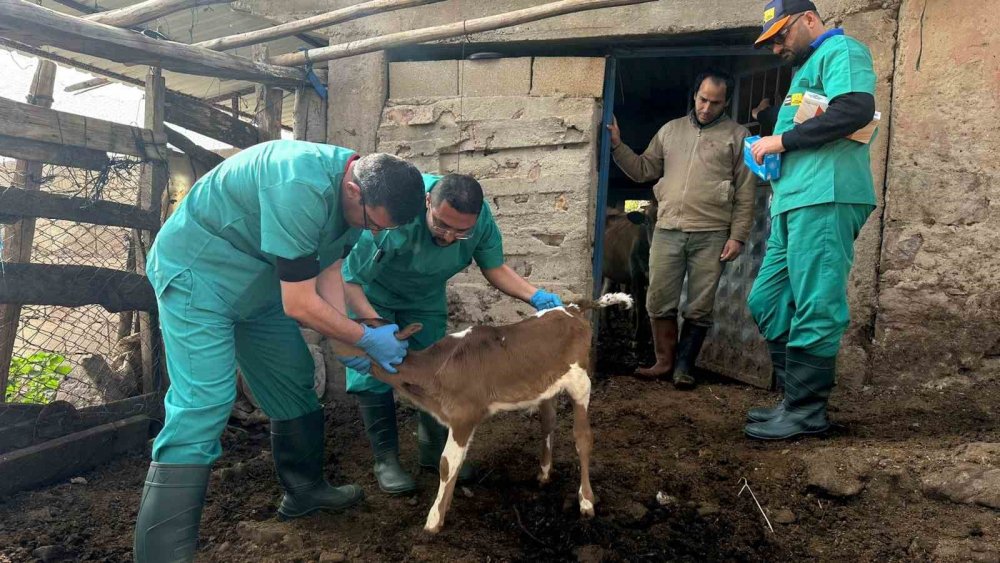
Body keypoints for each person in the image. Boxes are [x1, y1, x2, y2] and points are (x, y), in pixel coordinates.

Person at [134, 140, 426, 562]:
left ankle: (305, 491)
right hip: (199, 276)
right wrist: (364, 337)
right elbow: (300, 304)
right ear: (354, 192)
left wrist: (347, 342)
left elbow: (328, 270)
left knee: (292, 379)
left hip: (259, 289)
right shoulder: (298, 182)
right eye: (375, 224)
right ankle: (160, 557)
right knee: (204, 404)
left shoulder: (356, 197)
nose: (375, 233)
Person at [339, 173, 564, 494]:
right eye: (442, 225)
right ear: (427, 202)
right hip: (373, 297)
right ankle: (386, 460)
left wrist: (535, 295)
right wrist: (375, 327)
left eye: (461, 231)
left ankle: (433, 450)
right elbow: (351, 279)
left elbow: (494, 267)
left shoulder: (479, 220)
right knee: (376, 370)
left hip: (424, 298)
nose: (448, 237)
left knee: (436, 368)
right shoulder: (398, 209)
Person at [745, 0, 878, 440]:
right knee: (765, 300)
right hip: (793, 202)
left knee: (816, 304)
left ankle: (806, 411)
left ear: (808, 19)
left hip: (826, 195)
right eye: (771, 41)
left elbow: (856, 109)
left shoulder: (841, 51)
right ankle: (793, 399)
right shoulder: (805, 71)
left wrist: (780, 140)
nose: (777, 47)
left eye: (782, 35)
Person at [608, 70, 757, 388]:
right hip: (668, 228)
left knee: (700, 305)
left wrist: (738, 236)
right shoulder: (670, 131)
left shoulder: (739, 136)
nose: (706, 108)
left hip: (712, 232)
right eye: (703, 99)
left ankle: (684, 368)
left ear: (726, 102)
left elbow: (746, 192)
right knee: (659, 299)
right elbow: (643, 170)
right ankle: (664, 362)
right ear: (694, 96)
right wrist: (618, 146)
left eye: (715, 103)